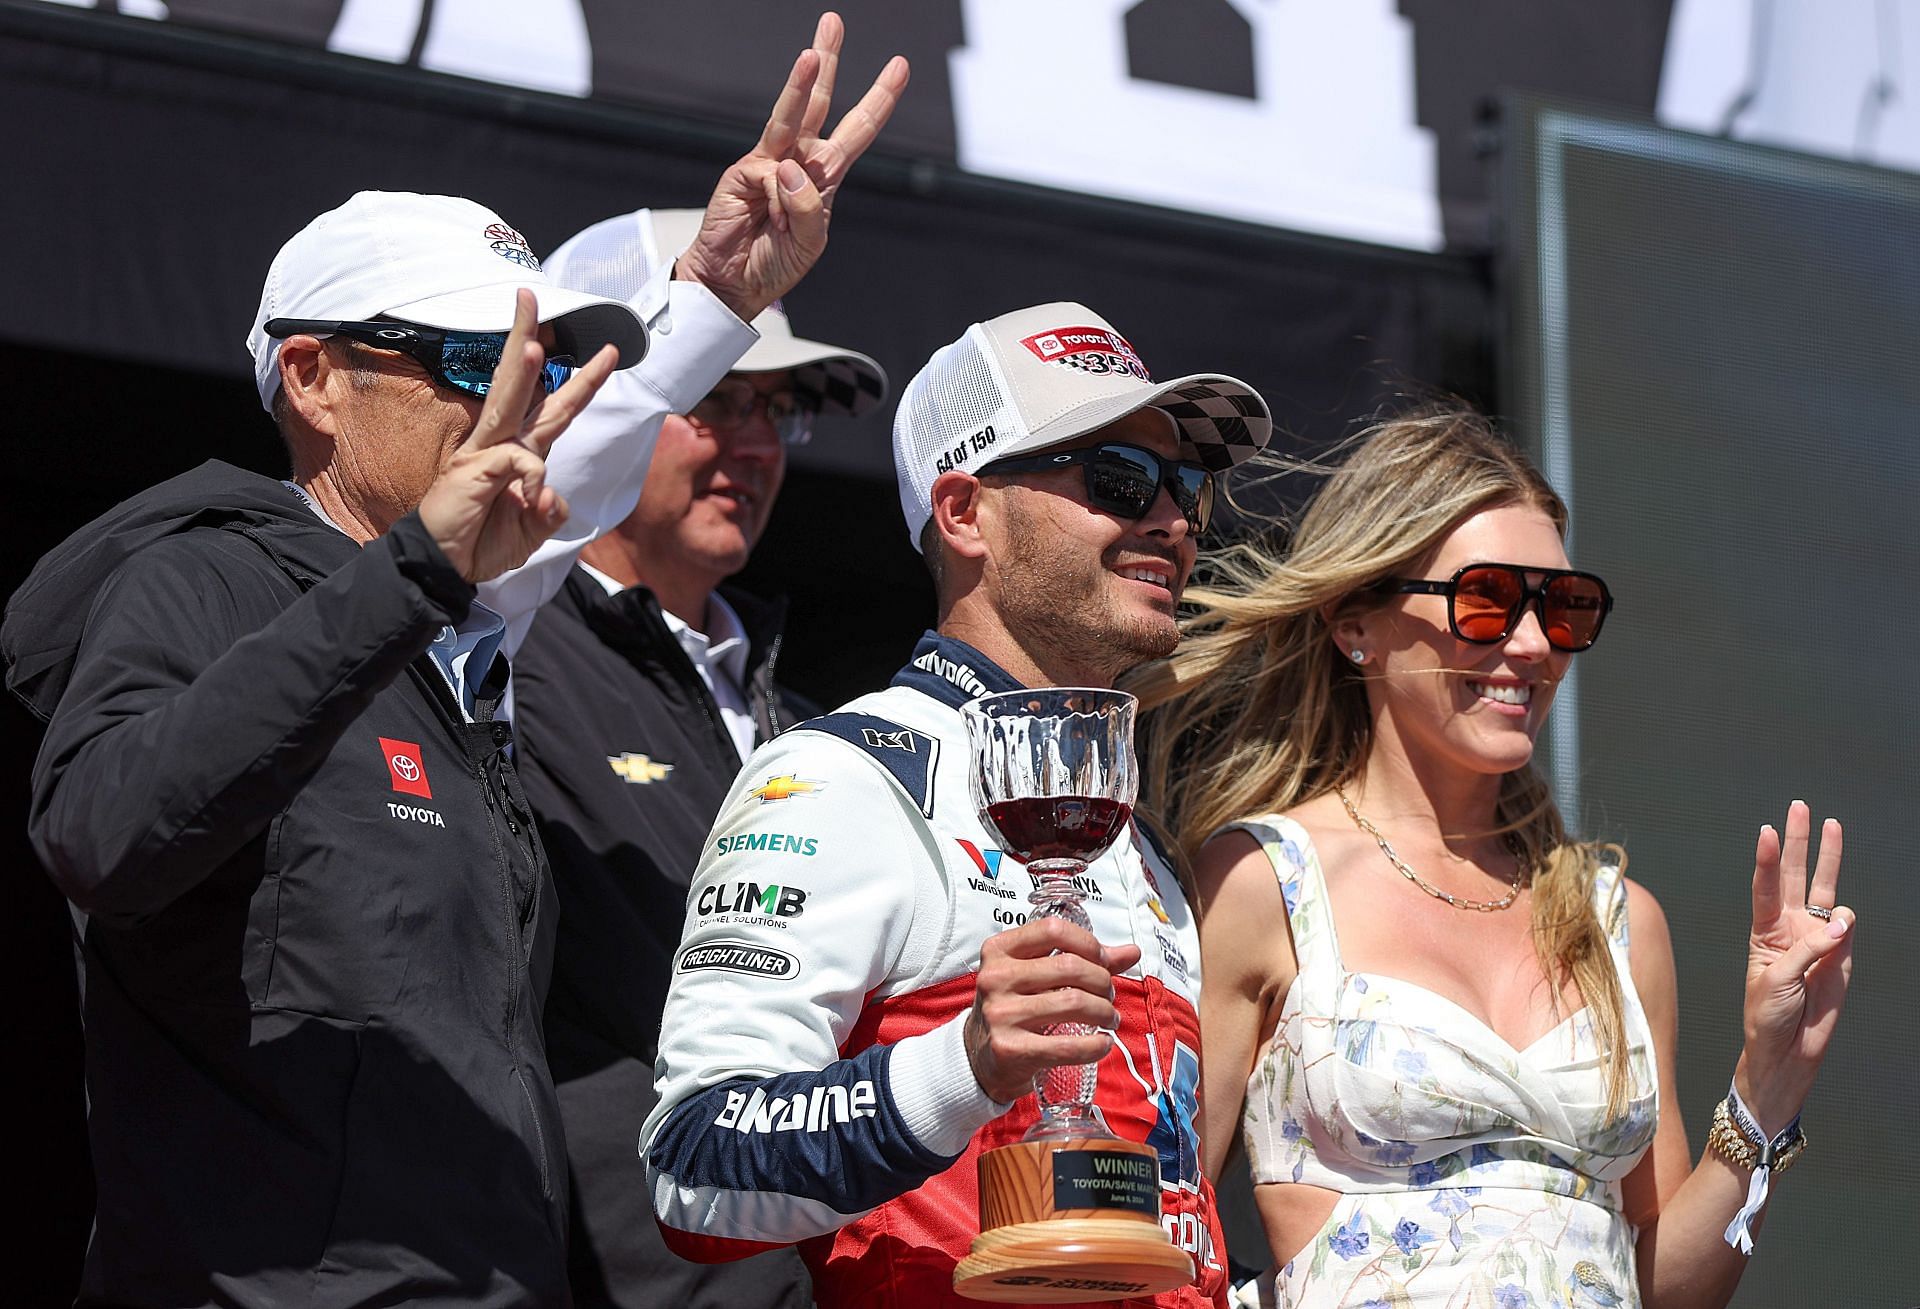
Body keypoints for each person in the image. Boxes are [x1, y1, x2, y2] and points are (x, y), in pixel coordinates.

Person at [2, 22, 907, 1306]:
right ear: (314, 379)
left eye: (531, 367)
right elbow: (102, 832)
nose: (513, 405)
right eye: (475, 365)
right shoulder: (201, 574)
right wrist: (415, 576)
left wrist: (713, 296)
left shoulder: (456, 630)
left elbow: (570, 472)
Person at [1131, 407, 1856, 1308]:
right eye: (1486, 599)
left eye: (1562, 606)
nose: (1531, 642)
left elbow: (1662, 1289)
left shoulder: (1618, 922)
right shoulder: (1263, 884)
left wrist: (1768, 1083)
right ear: (1356, 621)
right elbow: (1156, 1233)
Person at [643, 302, 1274, 1307]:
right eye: (1118, 478)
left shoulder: (1135, 842)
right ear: (964, 512)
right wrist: (964, 1063)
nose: (1171, 521)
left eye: (1186, 485)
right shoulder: (839, 779)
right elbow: (694, 1163)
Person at [509, 205, 887, 1309]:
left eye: (775, 410)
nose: (757, 443)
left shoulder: (805, 717)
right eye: (715, 399)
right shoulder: (491, 663)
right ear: (593, 398)